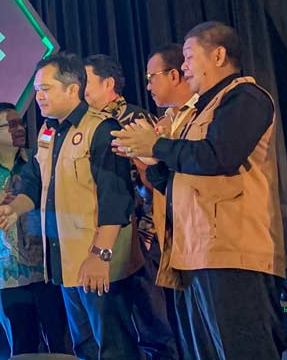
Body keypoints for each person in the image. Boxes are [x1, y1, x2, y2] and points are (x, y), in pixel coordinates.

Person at [113, 22, 287, 359]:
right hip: (194, 253)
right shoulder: (194, 114)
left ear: (218, 55)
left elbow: (218, 156)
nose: (185, 67)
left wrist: (157, 145)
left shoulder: (244, 97)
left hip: (234, 253)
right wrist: (150, 159)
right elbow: (175, 182)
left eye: (190, 57)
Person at [0, 53, 141, 360]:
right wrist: (14, 208)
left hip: (98, 262)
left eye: (45, 89)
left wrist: (100, 255)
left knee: (114, 348)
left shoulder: (101, 129)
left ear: (72, 89)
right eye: (37, 89)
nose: (39, 96)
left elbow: (116, 198)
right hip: (66, 262)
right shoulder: (48, 131)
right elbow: (34, 182)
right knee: (84, 347)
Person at [0, 102, 70, 355]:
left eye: (21, 123)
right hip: (8, 274)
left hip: (48, 269)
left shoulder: (39, 161)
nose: (21, 128)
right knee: (22, 350)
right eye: (12, 124)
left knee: (62, 346)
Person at [85, 54, 177, 360]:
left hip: (141, 236)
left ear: (108, 84)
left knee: (150, 320)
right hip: (108, 237)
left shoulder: (135, 120)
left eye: (86, 82)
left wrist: (147, 235)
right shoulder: (88, 125)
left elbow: (156, 183)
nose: (80, 89)